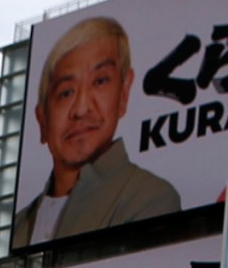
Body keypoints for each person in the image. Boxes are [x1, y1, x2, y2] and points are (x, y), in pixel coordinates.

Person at [12, 17, 181, 248]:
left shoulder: (149, 197)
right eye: (65, 92)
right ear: (42, 120)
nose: (81, 109)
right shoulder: (18, 225)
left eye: (100, 81)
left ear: (123, 93)